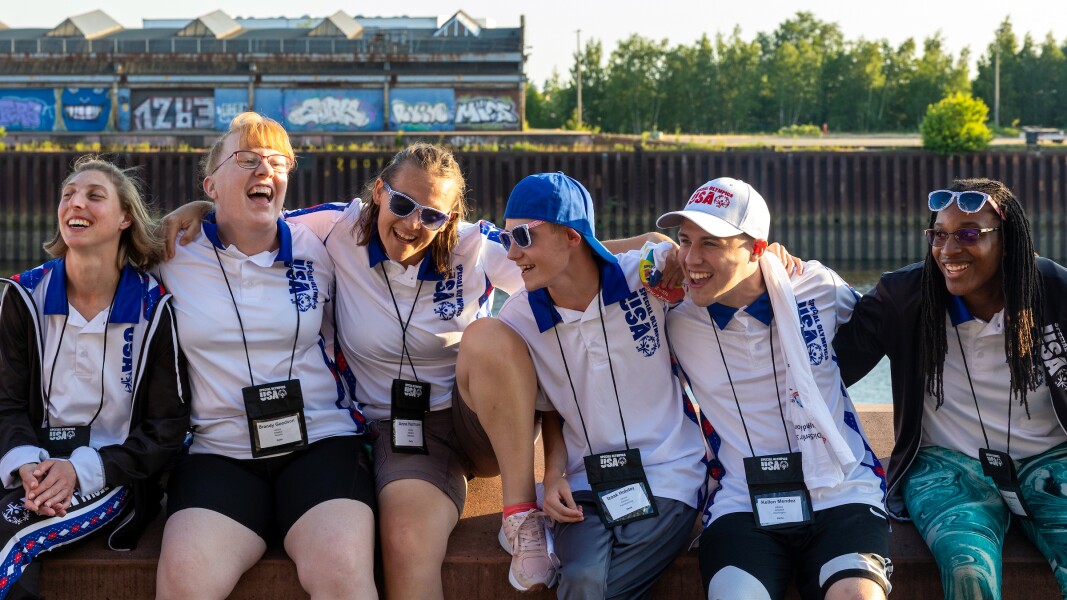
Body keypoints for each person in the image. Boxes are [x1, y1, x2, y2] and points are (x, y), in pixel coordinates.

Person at [164, 144, 666, 597]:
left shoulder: (474, 247)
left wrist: (662, 254)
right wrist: (201, 207)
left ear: (450, 219)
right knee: (405, 541)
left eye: (431, 216)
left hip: (476, 420)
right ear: (380, 192)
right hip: (401, 433)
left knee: (488, 334)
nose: (411, 224)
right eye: (402, 205)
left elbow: (569, 259)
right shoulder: (336, 230)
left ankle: (520, 515)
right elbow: (256, 214)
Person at [153, 113, 377, 600]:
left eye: (278, 162)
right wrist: (186, 213)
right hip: (219, 451)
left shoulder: (323, 240)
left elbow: (412, 216)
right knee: (184, 582)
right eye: (248, 160)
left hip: (321, 441)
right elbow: (90, 248)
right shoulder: (169, 251)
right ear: (210, 184)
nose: (265, 171)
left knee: (342, 573)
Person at [651, 177, 891, 599]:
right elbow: (581, 264)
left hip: (842, 491)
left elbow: (884, 324)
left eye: (711, 243)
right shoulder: (671, 313)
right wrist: (657, 248)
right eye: (684, 241)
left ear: (758, 248)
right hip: (742, 500)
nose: (691, 258)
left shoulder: (817, 287)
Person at [834, 178, 1067, 599]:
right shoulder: (904, 296)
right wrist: (773, 277)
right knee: (967, 566)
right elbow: (829, 368)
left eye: (969, 234)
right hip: (947, 463)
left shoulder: (1054, 290)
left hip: (1051, 457)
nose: (948, 250)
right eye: (939, 235)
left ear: (1008, 242)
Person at [482, 172, 709, 599]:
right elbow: (550, 405)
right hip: (583, 485)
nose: (511, 253)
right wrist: (551, 475)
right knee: (584, 579)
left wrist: (773, 258)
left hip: (670, 474)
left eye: (524, 236)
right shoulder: (519, 317)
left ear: (571, 236)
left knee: (589, 588)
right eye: (504, 236)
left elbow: (678, 258)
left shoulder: (644, 277)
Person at [0, 156, 189, 600]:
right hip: (30, 468)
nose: (75, 203)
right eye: (68, 195)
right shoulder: (24, 296)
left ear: (125, 217)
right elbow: (6, 403)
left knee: (13, 537)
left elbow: (166, 430)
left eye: (93, 195)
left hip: (111, 474)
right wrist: (26, 463)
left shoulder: (153, 307)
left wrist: (81, 470)